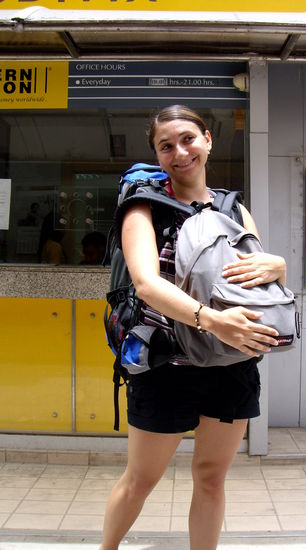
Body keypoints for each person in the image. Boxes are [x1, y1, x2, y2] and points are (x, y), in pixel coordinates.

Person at [99, 105, 287, 550]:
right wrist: (214, 321)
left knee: (211, 478)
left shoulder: (234, 209)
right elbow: (146, 284)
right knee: (141, 479)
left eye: (188, 139)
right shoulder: (142, 207)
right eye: (166, 146)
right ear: (157, 155)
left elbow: (254, 278)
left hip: (230, 365)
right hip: (166, 365)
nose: (180, 152)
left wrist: (278, 264)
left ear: (208, 140)